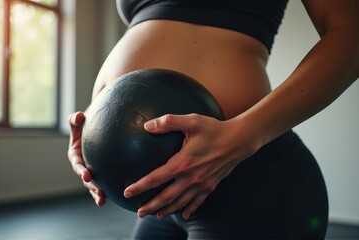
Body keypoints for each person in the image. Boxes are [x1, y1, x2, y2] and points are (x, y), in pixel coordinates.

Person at [68, 0, 359, 238]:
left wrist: (243, 136)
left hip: (249, 184)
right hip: (161, 206)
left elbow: (351, 34)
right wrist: (95, 129)